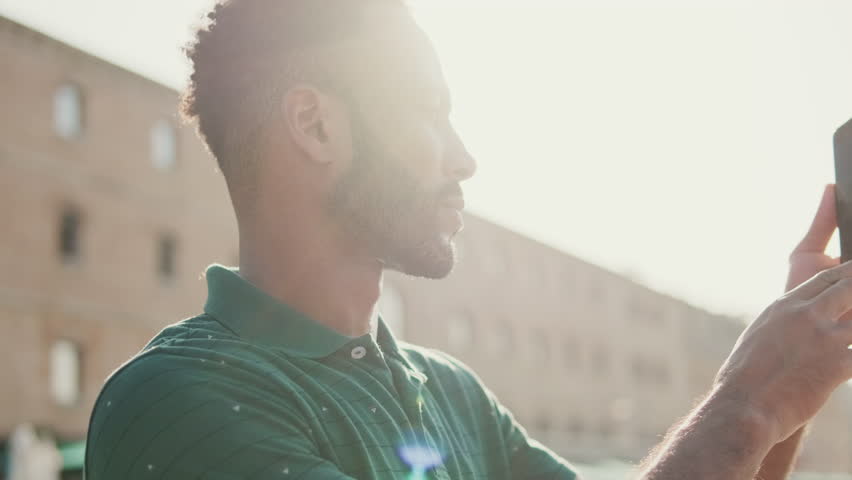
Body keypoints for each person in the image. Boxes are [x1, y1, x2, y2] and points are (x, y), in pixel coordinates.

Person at [83, 0, 852, 478]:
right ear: (316, 124)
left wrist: (790, 387)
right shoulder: (173, 402)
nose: (464, 156)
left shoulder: (450, 392)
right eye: (427, 110)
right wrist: (744, 405)